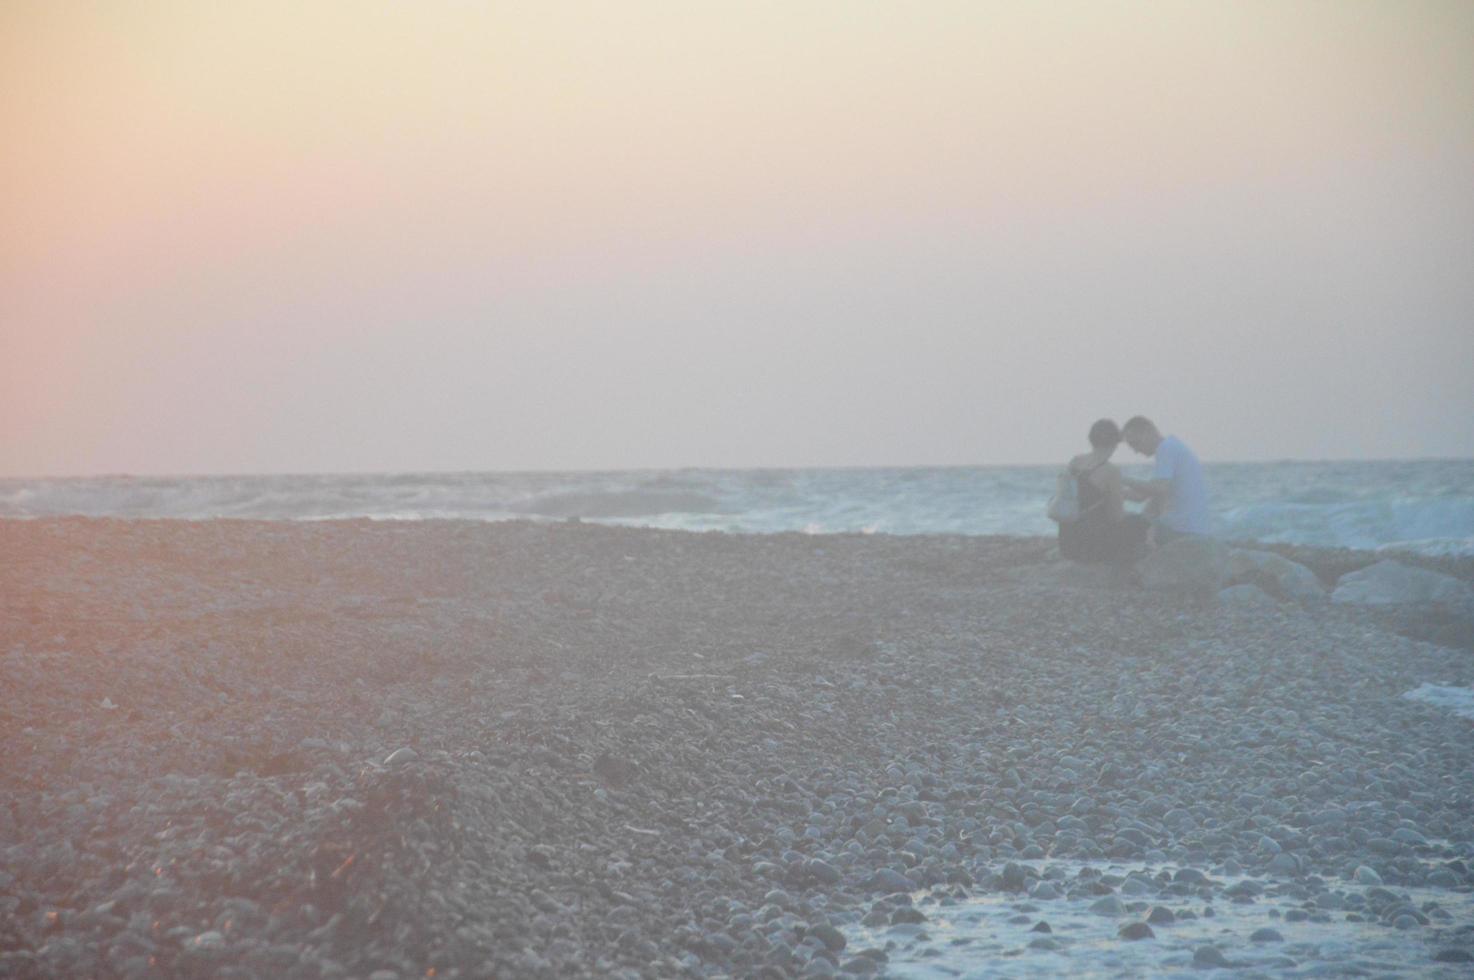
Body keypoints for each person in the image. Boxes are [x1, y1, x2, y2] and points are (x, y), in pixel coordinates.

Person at [1058, 419, 1150, 564]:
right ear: (1115, 444)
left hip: (1067, 543)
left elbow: (1081, 497)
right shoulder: (1111, 471)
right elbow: (1116, 517)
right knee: (1140, 522)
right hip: (1091, 547)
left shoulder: (1075, 461)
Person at [1120, 416, 1210, 543]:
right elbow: (1140, 496)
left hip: (1183, 530)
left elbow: (1159, 489)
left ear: (1148, 431)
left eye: (1136, 443)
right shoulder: (1172, 446)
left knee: (1125, 528)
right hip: (1195, 529)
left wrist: (1122, 479)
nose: (1135, 451)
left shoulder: (1166, 448)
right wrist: (1111, 490)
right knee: (1144, 515)